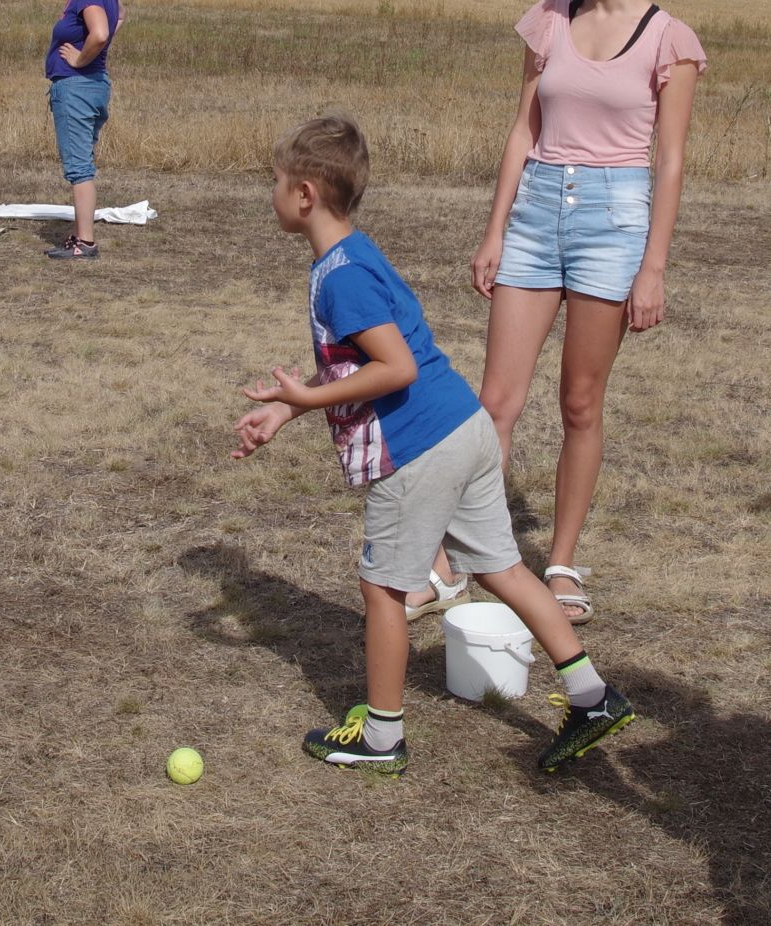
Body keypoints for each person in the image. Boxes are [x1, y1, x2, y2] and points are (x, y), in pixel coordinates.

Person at [231, 115, 635, 775]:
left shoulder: (341, 277)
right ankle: (592, 696)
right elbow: (363, 362)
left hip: (418, 449)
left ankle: (381, 737)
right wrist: (287, 408)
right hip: (464, 427)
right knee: (503, 570)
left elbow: (395, 368)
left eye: (275, 182)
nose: (269, 193)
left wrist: (308, 398)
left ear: (304, 194)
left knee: (382, 588)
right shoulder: (355, 254)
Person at [468, 0, 705, 623]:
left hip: (615, 221)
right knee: (495, 403)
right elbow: (523, 131)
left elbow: (670, 161)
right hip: (536, 212)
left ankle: (562, 563)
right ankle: (471, 551)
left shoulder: (670, 39)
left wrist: (653, 267)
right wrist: (496, 230)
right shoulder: (548, 21)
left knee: (579, 402)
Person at [42, 0, 120, 260]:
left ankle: (85, 243)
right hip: (93, 86)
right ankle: (80, 234)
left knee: (78, 168)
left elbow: (100, 33)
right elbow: (117, 20)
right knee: (82, 162)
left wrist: (79, 59)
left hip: (77, 88)